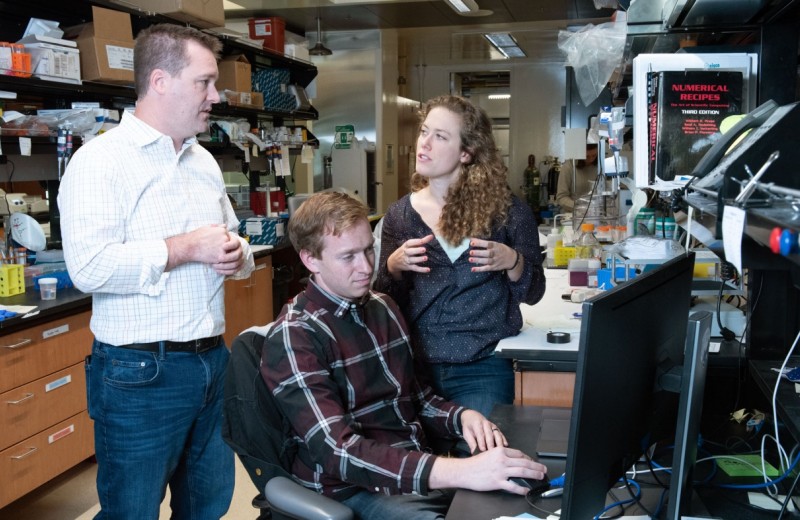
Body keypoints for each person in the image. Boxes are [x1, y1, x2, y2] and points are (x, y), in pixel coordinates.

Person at [59, 24, 254, 519]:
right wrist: (186, 247)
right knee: (132, 512)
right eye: (204, 82)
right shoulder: (99, 162)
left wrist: (237, 254)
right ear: (161, 81)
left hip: (213, 361)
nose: (216, 96)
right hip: (139, 374)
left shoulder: (203, 159)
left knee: (207, 506)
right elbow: (89, 266)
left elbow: (234, 241)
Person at [261, 191, 547, 520]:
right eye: (348, 256)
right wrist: (460, 471)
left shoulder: (382, 306)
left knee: (520, 498)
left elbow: (416, 399)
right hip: (353, 488)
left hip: (412, 474)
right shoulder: (295, 336)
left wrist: (463, 418)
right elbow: (338, 452)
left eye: (369, 249)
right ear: (310, 259)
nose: (367, 267)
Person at [373, 95, 546, 417]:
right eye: (424, 132)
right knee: (415, 463)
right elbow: (386, 301)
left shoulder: (509, 212)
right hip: (414, 366)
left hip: (483, 367)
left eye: (440, 137)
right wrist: (393, 267)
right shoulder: (399, 215)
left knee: (481, 458)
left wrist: (513, 261)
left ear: (466, 153)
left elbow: (534, 293)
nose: (424, 143)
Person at [555, 143, 599, 213]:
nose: (591, 159)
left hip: (594, 213)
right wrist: (579, 207)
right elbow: (561, 197)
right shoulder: (568, 167)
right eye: (587, 156)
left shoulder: (599, 166)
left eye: (594, 156)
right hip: (573, 215)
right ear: (580, 154)